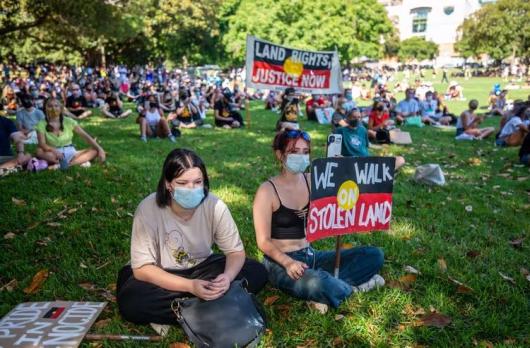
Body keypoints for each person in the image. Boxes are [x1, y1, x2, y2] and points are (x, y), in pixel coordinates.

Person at [117, 148, 267, 326]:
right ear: (168, 184)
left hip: (202, 267)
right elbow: (142, 270)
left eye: (197, 182)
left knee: (257, 271)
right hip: (160, 273)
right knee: (132, 302)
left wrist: (226, 277)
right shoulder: (148, 208)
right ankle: (213, 305)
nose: (192, 189)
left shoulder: (215, 206)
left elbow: (235, 252)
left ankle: (188, 308)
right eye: (182, 182)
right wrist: (190, 287)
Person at [253, 129, 385, 312]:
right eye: (294, 152)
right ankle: (351, 288)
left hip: (310, 256)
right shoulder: (267, 191)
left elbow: (351, 186)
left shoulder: (313, 180)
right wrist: (288, 262)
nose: (301, 157)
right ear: (279, 155)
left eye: (305, 152)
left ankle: (331, 288)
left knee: (374, 255)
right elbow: (263, 242)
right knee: (317, 283)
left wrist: (340, 168)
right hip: (280, 263)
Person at [35, 98, 105, 169]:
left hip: (71, 151)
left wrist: (100, 149)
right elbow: (42, 144)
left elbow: (86, 136)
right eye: (50, 106)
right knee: (39, 151)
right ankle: (77, 162)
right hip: (53, 153)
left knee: (94, 151)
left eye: (56, 106)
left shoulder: (69, 121)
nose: (53, 108)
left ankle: (67, 165)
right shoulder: (41, 124)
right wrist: (55, 151)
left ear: (61, 108)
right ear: (45, 109)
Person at [335, 109, 405, 169]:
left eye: (359, 117)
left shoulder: (363, 130)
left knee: (400, 159)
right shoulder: (340, 131)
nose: (357, 119)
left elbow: (367, 145)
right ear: (348, 118)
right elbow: (331, 149)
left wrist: (381, 147)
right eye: (354, 117)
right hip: (351, 163)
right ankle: (383, 173)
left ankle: (383, 172)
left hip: (367, 161)